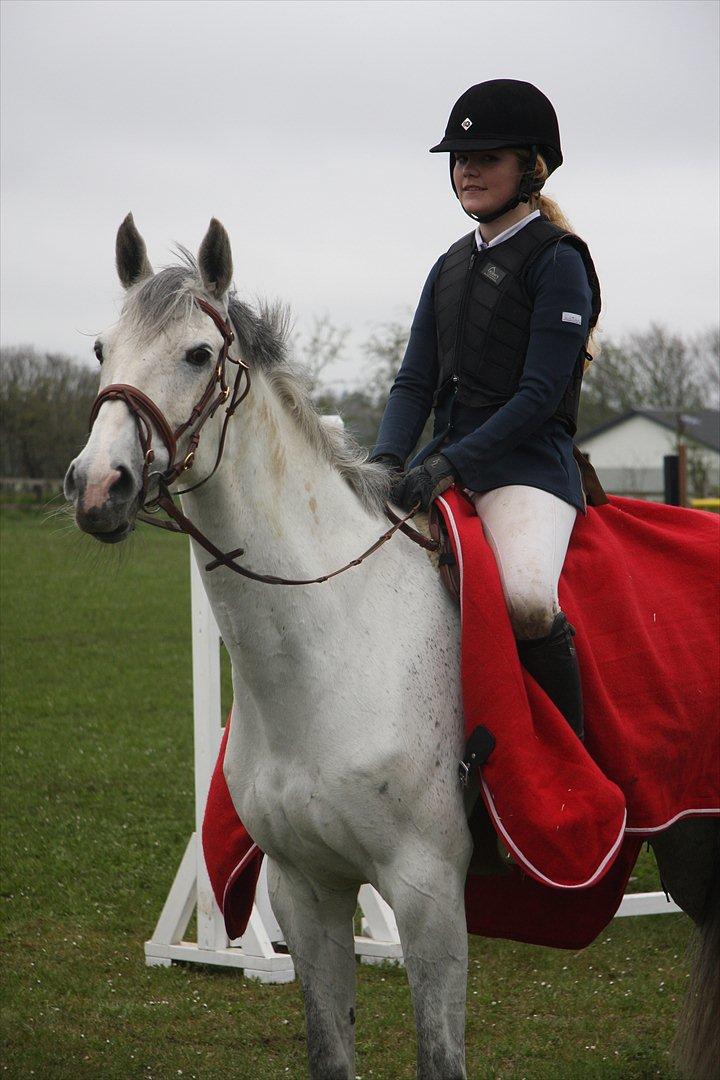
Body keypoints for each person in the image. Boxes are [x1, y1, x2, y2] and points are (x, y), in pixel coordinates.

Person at [371, 79, 601, 742]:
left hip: (528, 469)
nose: (468, 171)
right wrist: (385, 462)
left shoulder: (559, 262)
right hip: (445, 461)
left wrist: (448, 465)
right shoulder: (447, 265)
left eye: (487, 158)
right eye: (460, 159)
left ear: (531, 168)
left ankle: (570, 760)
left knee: (526, 599)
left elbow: (538, 397)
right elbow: (414, 382)